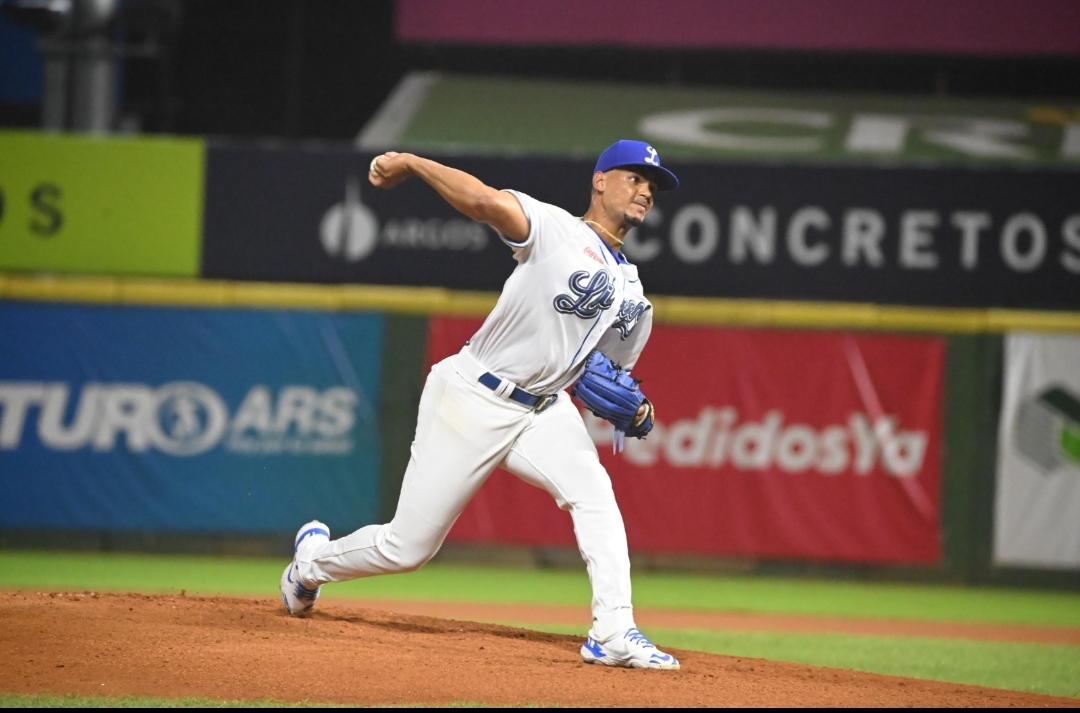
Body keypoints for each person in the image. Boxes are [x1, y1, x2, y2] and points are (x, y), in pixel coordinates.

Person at [280, 140, 681, 670]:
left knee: (596, 498)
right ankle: (310, 566)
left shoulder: (633, 292)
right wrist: (415, 164)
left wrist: (636, 410)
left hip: (541, 409)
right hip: (473, 394)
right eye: (634, 176)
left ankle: (612, 631)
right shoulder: (556, 230)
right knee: (408, 548)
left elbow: (607, 375)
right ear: (600, 181)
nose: (646, 189)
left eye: (653, 184)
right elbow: (484, 201)